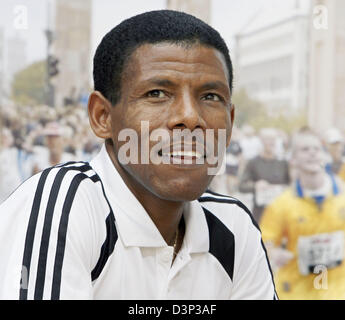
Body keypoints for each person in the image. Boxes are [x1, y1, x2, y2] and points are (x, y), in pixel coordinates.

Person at [0, 10, 276, 300]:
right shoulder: (67, 206)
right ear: (102, 116)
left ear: (230, 122)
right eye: (157, 93)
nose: (190, 117)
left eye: (210, 97)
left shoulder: (233, 227)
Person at [260, 129, 345, 300]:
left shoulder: (342, 196)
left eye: (316, 149)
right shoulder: (281, 204)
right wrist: (274, 252)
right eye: (305, 149)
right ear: (293, 159)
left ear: (324, 156)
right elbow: (265, 242)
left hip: (337, 290)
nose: (312, 153)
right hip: (296, 291)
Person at [238, 128, 290, 223]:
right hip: (260, 213)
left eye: (273, 139)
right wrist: (255, 185)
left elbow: (291, 185)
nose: (271, 142)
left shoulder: (283, 163)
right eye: (267, 139)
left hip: (281, 213)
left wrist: (282, 188)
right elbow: (241, 186)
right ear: (261, 141)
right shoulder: (253, 162)